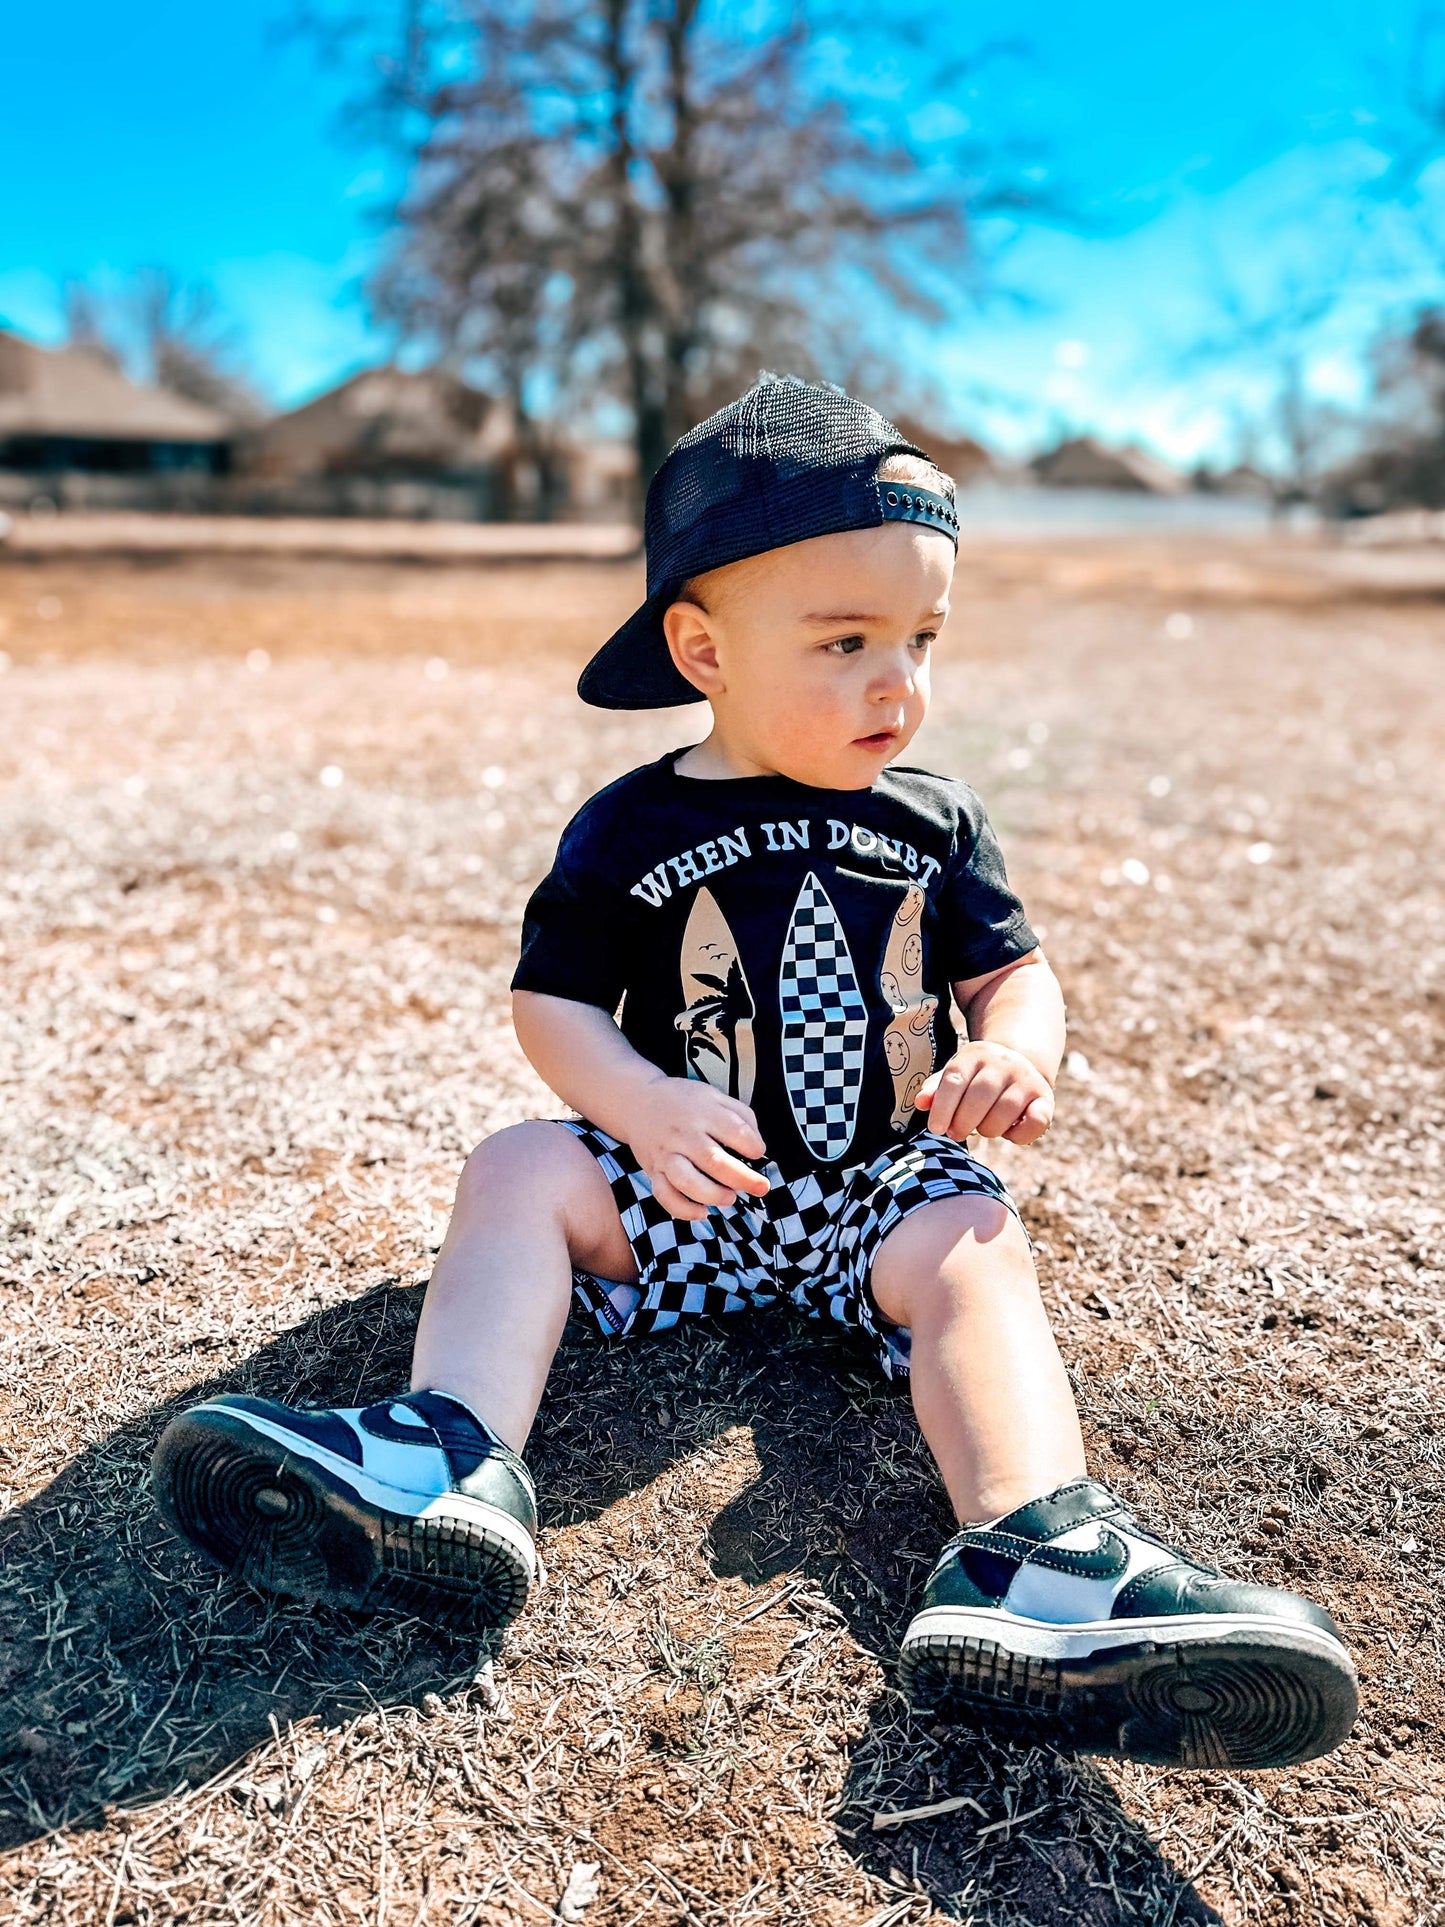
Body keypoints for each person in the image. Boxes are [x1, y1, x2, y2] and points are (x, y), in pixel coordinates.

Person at [153, 377, 1357, 1770]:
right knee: (518, 1166)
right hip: (681, 1189)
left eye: (920, 637)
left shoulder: (934, 820)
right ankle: (450, 1457)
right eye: (844, 640)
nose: (895, 681)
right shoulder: (629, 822)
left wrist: (1018, 1051)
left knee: (974, 1234)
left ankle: (1038, 1549)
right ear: (701, 647)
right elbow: (551, 1007)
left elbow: (1007, 976)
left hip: (870, 1195)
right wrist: (639, 1105)